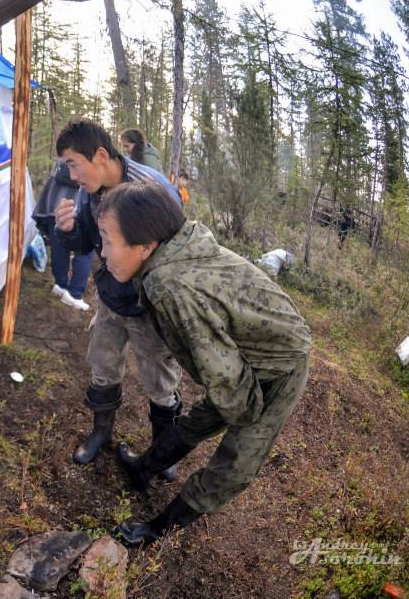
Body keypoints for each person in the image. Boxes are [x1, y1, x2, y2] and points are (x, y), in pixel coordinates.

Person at [91, 181, 311, 547]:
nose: (103, 252)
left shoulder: (168, 284)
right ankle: (144, 470)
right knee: (200, 420)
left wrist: (244, 417)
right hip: (247, 348)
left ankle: (157, 529)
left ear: (146, 246)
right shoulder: (175, 250)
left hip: (280, 364)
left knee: (236, 461)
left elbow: (225, 376)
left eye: (108, 241)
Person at [54, 120, 183, 475]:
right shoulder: (89, 192)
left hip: (150, 305)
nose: (72, 176)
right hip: (111, 299)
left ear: (100, 155)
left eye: (74, 164)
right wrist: (66, 230)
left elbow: (179, 250)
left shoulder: (152, 188)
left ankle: (163, 454)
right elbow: (85, 243)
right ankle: (100, 433)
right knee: (103, 366)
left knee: (161, 380)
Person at [32, 159, 95, 311]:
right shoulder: (87, 161)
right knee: (85, 250)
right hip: (77, 210)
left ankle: (60, 285)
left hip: (54, 206)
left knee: (59, 246)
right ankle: (74, 294)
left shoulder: (63, 159)